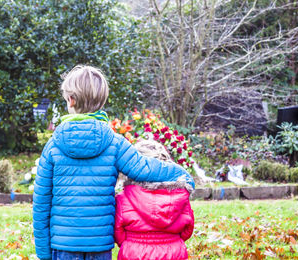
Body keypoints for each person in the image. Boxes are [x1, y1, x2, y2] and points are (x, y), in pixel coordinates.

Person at [33, 65, 195, 260]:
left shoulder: (53, 146)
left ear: (71, 100)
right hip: (100, 245)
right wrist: (180, 174)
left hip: (63, 245)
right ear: (102, 102)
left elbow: (41, 203)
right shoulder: (114, 142)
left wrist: (43, 253)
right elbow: (143, 168)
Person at [115, 139, 195, 260]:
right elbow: (188, 229)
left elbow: (118, 233)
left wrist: (129, 243)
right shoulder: (180, 196)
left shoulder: (123, 198)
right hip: (173, 252)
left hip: (134, 253)